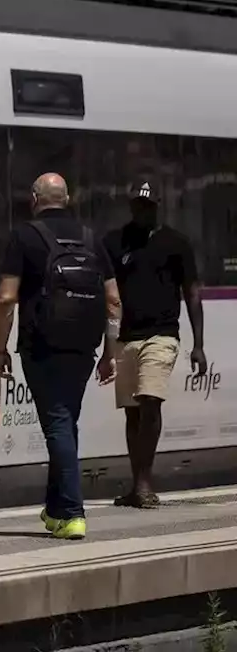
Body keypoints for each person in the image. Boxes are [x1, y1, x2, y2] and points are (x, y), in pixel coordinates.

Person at [0, 172, 120, 540]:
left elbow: (5, 298)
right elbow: (113, 300)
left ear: (35, 197)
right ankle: (55, 509)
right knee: (65, 421)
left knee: (58, 423)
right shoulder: (91, 238)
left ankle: (73, 513)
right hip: (84, 344)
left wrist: (1, 347)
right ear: (68, 198)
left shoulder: (24, 235)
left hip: (41, 344)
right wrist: (110, 351)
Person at [102, 182, 206, 509]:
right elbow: (108, 297)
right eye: (137, 204)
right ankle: (137, 485)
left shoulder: (176, 243)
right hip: (126, 337)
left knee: (150, 402)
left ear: (158, 205)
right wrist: (107, 348)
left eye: (147, 205)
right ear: (130, 206)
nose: (142, 210)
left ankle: (145, 481)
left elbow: (191, 293)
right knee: (132, 414)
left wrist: (198, 344)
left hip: (162, 334)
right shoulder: (115, 243)